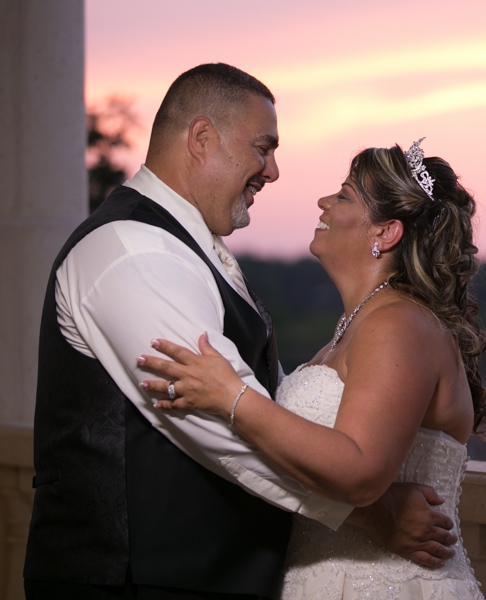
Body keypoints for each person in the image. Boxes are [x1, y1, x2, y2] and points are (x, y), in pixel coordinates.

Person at [24, 64, 455, 600]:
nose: (273, 172)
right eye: (262, 148)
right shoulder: (130, 249)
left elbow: (258, 405)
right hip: (132, 576)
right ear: (202, 138)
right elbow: (211, 422)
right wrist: (365, 513)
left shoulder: (189, 250)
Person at [139, 138, 486, 599]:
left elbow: (361, 469)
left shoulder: (398, 323)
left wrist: (232, 397)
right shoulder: (358, 325)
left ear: (385, 233)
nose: (324, 202)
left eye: (344, 195)